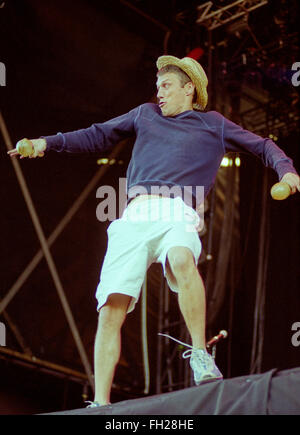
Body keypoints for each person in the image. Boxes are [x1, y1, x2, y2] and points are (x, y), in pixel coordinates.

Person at [8, 55, 300, 408]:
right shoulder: (145, 115)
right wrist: (44, 144)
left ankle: (199, 354)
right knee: (111, 306)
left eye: (166, 86)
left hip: (179, 210)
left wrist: (287, 171)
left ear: (189, 88)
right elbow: (98, 134)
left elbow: (263, 145)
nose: (158, 93)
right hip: (134, 214)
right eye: (157, 87)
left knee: (180, 257)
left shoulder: (213, 124)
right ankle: (100, 402)